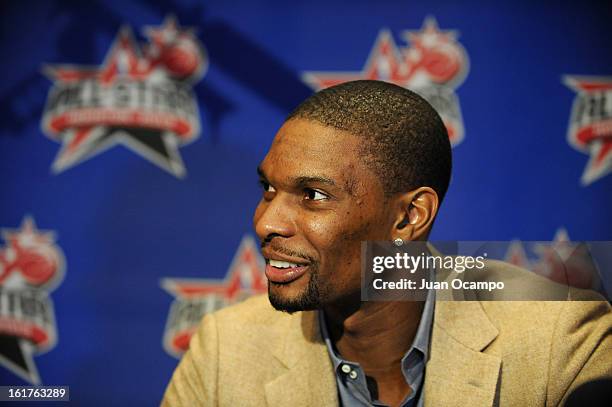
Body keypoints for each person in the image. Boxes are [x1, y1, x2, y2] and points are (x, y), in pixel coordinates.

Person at [162, 80, 611, 406]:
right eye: (268, 189)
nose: (266, 223)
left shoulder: (562, 342)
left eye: (313, 196)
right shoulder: (226, 350)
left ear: (408, 217)